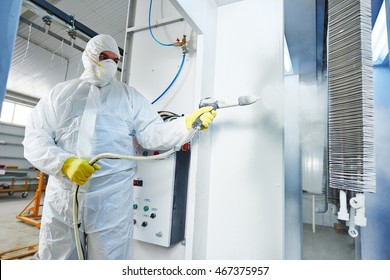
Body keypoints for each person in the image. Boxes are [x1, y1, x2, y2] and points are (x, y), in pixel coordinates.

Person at [22, 34, 216, 260]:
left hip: (111, 199)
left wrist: (185, 124)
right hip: (64, 197)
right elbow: (35, 137)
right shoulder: (60, 94)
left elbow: (152, 134)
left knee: (110, 263)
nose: (109, 64)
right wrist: (63, 163)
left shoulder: (129, 96)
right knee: (57, 260)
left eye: (114, 60)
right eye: (103, 57)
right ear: (88, 57)